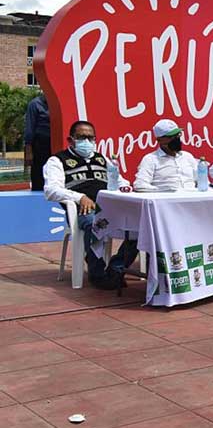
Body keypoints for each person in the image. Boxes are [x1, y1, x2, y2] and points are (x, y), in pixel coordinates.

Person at [44, 120, 137, 289]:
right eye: (81, 137)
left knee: (140, 227)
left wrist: (126, 187)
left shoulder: (102, 159)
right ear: (70, 140)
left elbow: (120, 180)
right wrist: (80, 197)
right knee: (95, 223)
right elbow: (51, 190)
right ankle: (98, 274)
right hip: (83, 210)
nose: (87, 142)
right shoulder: (57, 160)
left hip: (110, 208)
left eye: (91, 138)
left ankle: (116, 268)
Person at [134, 120, 198, 192]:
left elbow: (202, 181)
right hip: (167, 201)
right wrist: (166, 191)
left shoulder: (187, 156)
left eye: (177, 134)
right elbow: (140, 185)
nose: (176, 138)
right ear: (159, 140)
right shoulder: (150, 159)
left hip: (193, 199)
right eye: (171, 136)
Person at [24, 92, 51, 191]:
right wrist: (28, 151)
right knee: (39, 176)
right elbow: (29, 128)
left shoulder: (60, 104)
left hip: (57, 146)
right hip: (40, 147)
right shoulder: (35, 104)